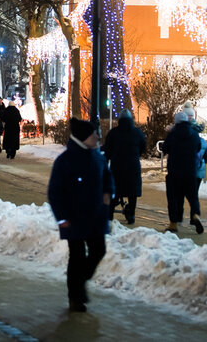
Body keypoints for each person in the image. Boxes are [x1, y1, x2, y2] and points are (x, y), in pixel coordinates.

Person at [47, 118, 113, 313]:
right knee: (76, 256)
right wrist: (62, 217)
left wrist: (109, 193)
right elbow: (55, 192)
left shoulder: (97, 156)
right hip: (72, 218)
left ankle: (79, 283)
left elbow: (108, 177)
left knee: (98, 250)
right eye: (94, 134)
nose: (98, 137)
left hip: (95, 216)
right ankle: (75, 297)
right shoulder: (65, 161)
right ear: (84, 137)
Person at [161, 111, 203, 234]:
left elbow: (165, 148)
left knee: (173, 197)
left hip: (174, 171)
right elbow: (199, 147)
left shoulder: (172, 134)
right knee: (193, 196)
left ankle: (174, 223)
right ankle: (195, 214)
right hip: (190, 171)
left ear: (176, 121)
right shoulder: (194, 134)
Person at [102, 109, 146, 225]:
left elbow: (108, 150)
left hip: (117, 167)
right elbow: (143, 147)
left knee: (114, 191)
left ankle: (110, 215)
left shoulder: (113, 133)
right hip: (133, 167)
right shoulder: (138, 133)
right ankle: (131, 215)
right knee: (132, 193)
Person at [184, 107, 207, 222]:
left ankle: (177, 218)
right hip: (198, 171)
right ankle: (194, 215)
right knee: (194, 194)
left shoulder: (184, 141)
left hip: (186, 171)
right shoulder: (203, 142)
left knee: (182, 194)